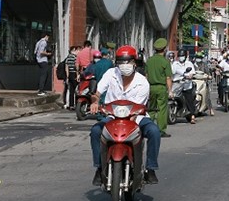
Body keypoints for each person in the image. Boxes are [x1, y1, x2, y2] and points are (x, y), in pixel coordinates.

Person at [89, 45, 161, 185]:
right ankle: (99, 168)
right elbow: (97, 93)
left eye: (128, 62)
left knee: (154, 131)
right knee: (95, 131)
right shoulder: (111, 74)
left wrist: (134, 117)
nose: (125, 65)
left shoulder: (142, 82)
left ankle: (150, 168)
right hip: (112, 116)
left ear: (135, 62)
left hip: (136, 117)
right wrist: (95, 102)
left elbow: (139, 107)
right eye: (121, 62)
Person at [145, 38, 173, 136]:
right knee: (162, 109)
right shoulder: (165, 62)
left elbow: (146, 76)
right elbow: (168, 78)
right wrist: (170, 91)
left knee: (151, 109)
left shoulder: (149, 61)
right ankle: (161, 130)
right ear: (164, 49)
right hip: (161, 88)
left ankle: (149, 128)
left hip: (151, 87)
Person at [171, 48, 198, 124]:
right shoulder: (175, 64)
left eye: (182, 56)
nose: (181, 57)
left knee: (189, 99)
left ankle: (192, 116)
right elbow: (172, 72)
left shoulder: (189, 64)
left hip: (186, 85)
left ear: (185, 56)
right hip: (177, 84)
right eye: (179, 56)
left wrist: (190, 76)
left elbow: (192, 72)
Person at [63, 45, 80, 109]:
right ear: (74, 50)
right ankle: (76, 103)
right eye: (77, 50)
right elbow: (76, 66)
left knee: (71, 91)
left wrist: (67, 76)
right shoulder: (75, 58)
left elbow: (66, 68)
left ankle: (71, 105)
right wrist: (77, 74)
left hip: (69, 74)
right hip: (74, 74)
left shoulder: (67, 58)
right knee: (77, 90)